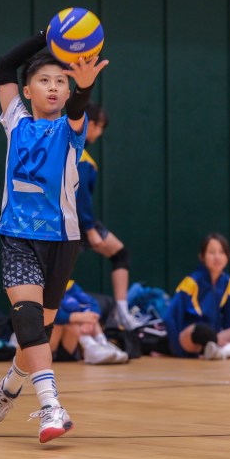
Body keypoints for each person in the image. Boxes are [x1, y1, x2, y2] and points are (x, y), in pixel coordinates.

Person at [0, 30, 106, 444]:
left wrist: (84, 86)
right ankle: (51, 406)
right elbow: (4, 64)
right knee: (28, 318)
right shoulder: (16, 120)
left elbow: (80, 105)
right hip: (16, 235)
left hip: (62, 240)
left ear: (68, 93)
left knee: (40, 330)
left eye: (60, 82)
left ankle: (11, 385)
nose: (53, 87)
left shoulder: (71, 129)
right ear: (28, 90)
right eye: (44, 80)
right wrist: (47, 36)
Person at [75, 102, 142, 330]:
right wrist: (89, 229)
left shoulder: (74, 152)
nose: (100, 133)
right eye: (100, 127)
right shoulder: (81, 158)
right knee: (55, 277)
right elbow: (80, 196)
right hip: (74, 224)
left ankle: (121, 312)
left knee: (120, 254)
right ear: (92, 124)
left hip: (74, 222)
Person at [162, 233, 230, 360]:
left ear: (228, 256)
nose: (217, 257)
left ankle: (228, 350)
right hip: (192, 338)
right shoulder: (191, 282)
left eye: (222, 252)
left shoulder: (227, 282)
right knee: (202, 330)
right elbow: (170, 318)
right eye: (212, 252)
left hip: (216, 337)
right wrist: (177, 351)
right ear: (202, 256)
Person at [50, 279, 128, 365]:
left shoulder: (69, 285)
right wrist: (75, 317)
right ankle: (90, 347)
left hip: (72, 341)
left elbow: (93, 303)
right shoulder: (42, 286)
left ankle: (103, 344)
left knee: (88, 315)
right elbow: (51, 314)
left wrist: (88, 320)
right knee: (68, 318)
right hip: (53, 344)